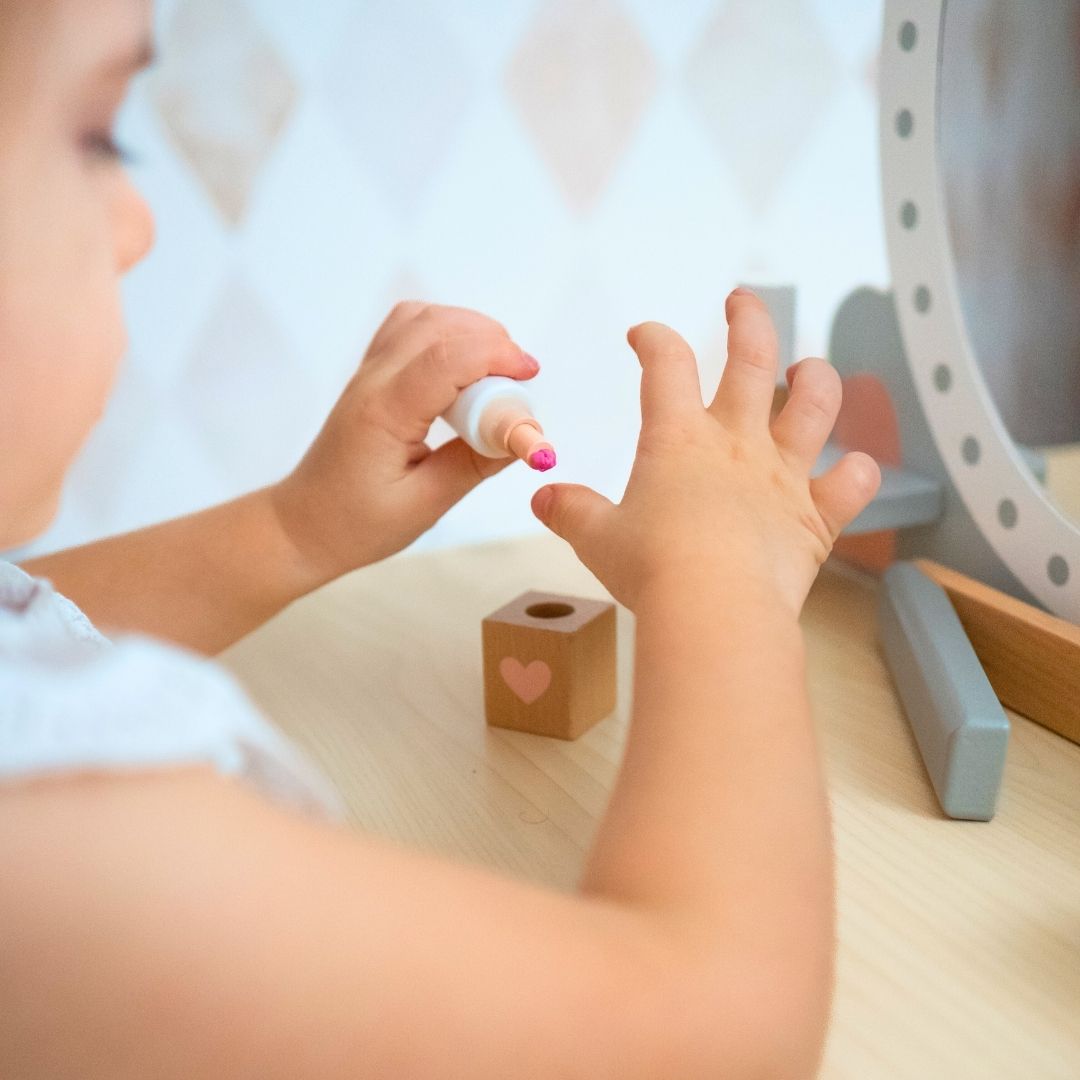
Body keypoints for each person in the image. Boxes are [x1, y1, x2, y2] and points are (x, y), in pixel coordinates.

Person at [0, 1, 881, 1076]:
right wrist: (725, 579)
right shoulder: (49, 853)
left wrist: (295, 528)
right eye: (98, 137)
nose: (140, 226)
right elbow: (711, 1026)